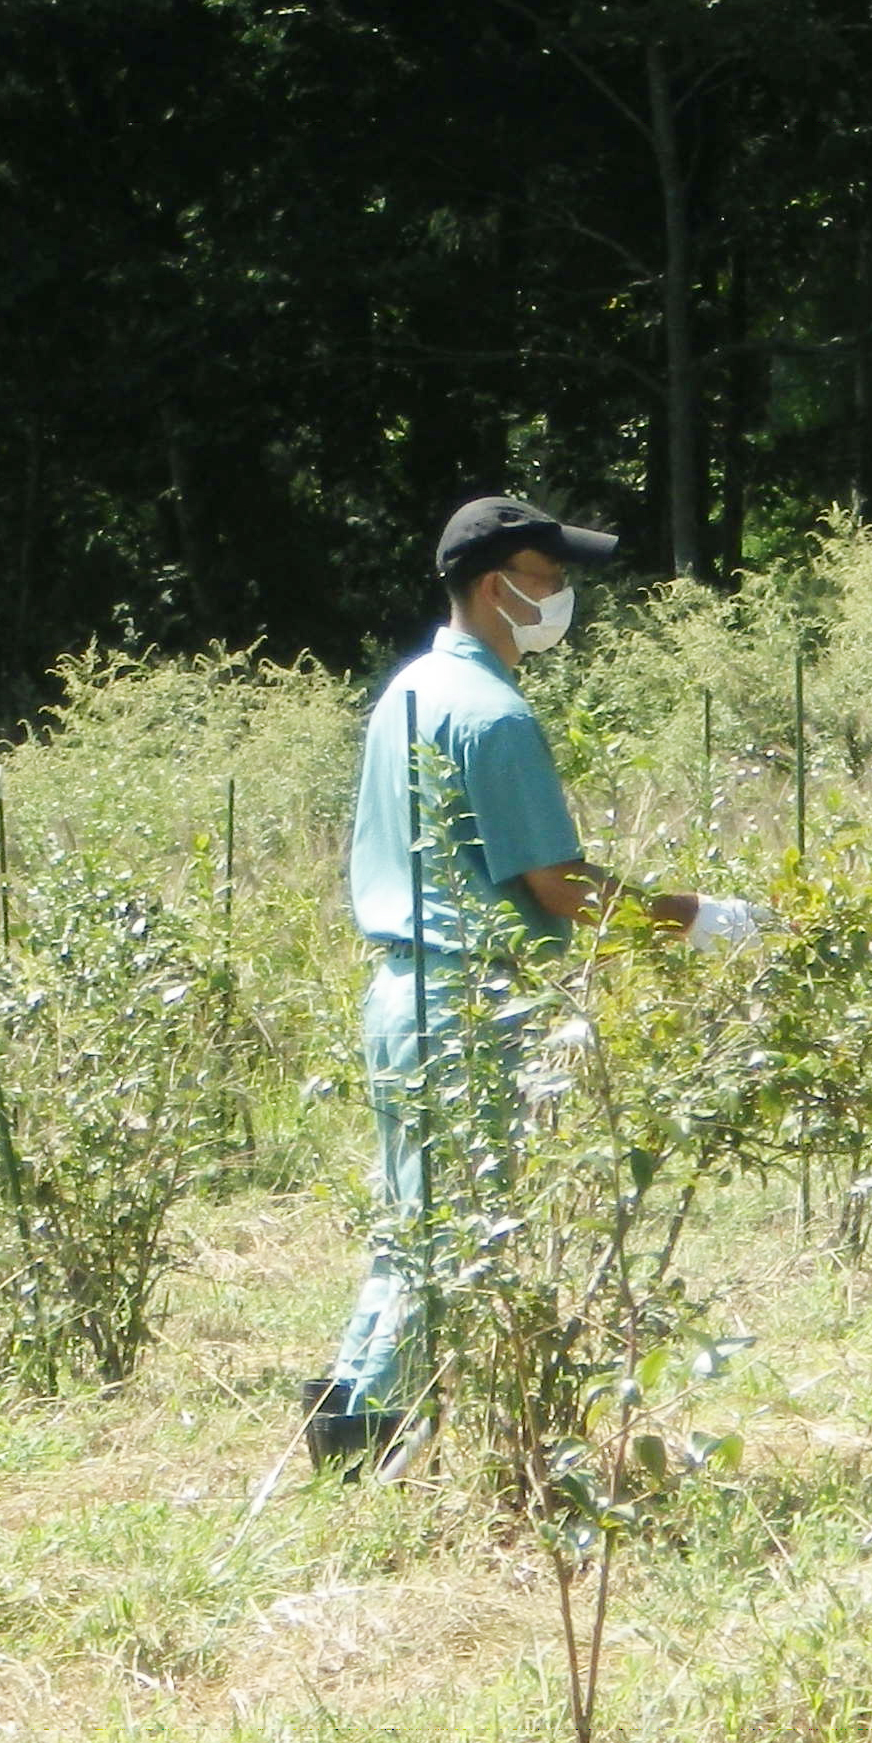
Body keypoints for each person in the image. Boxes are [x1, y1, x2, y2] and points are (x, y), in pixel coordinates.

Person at [303, 495, 757, 1471]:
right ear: (490, 585)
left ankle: (352, 1403)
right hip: (470, 1006)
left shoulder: (410, 689)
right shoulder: (496, 716)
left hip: (401, 1000)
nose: (562, 597)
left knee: (411, 1223)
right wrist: (704, 918)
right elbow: (560, 885)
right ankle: (366, 1434)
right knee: (453, 1232)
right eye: (547, 579)